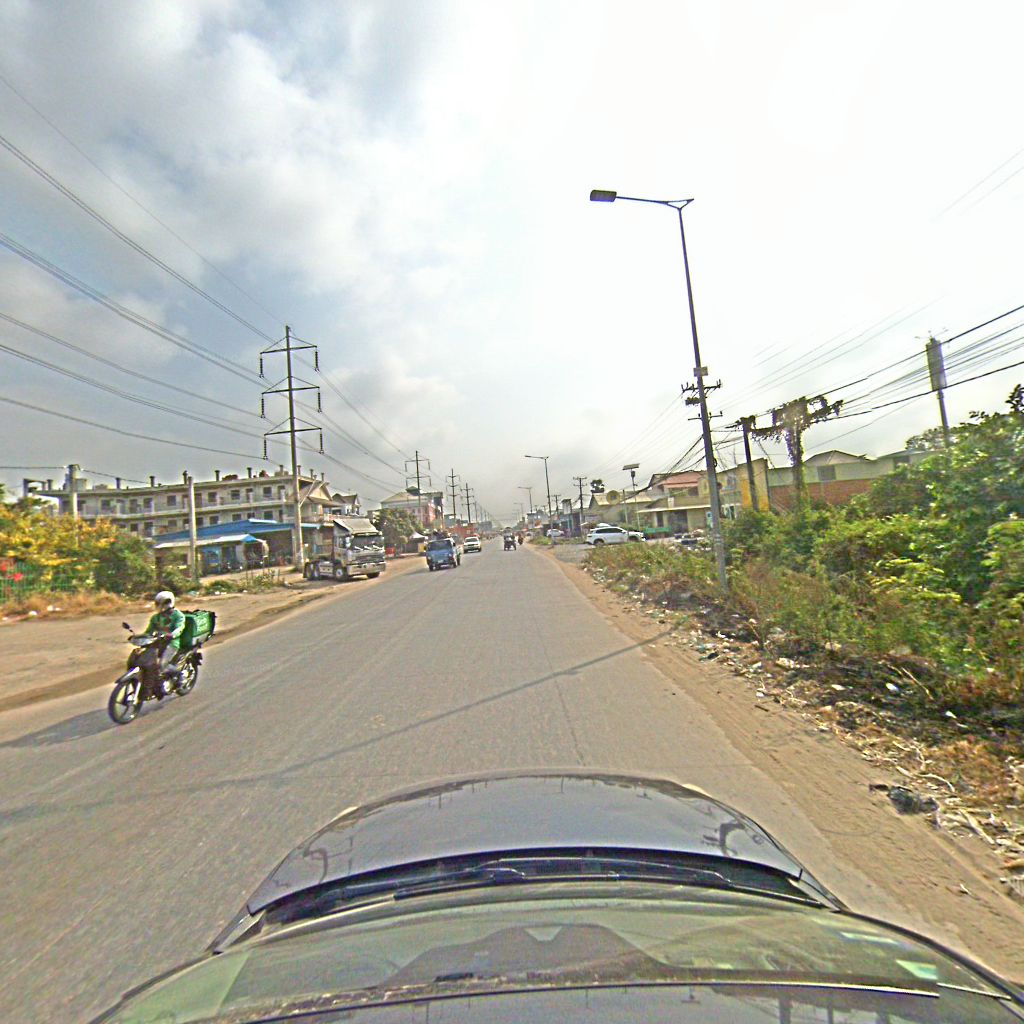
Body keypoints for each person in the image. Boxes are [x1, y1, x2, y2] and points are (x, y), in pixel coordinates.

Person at [145, 590, 187, 695]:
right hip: (158, 642)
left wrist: (172, 634)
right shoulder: (156, 618)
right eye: (157, 603)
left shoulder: (178, 616)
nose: (158, 606)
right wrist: (140, 637)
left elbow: (179, 628)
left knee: (162, 665)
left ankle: (180, 674)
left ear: (169, 602)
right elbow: (148, 631)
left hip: (172, 643)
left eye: (161, 603)